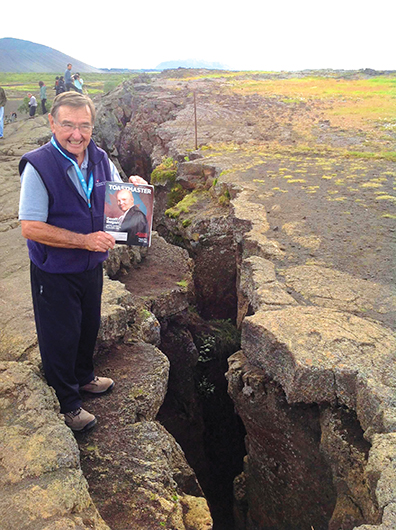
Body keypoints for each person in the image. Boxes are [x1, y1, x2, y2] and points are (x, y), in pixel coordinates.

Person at [18, 92, 148, 432]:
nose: (77, 134)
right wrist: (83, 241)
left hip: (91, 266)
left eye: (84, 126)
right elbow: (30, 227)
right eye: (68, 125)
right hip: (55, 270)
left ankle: (84, 377)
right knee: (59, 335)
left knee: (87, 325)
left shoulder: (100, 157)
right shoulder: (39, 165)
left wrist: (134, 188)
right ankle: (68, 404)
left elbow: (118, 195)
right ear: (52, 123)